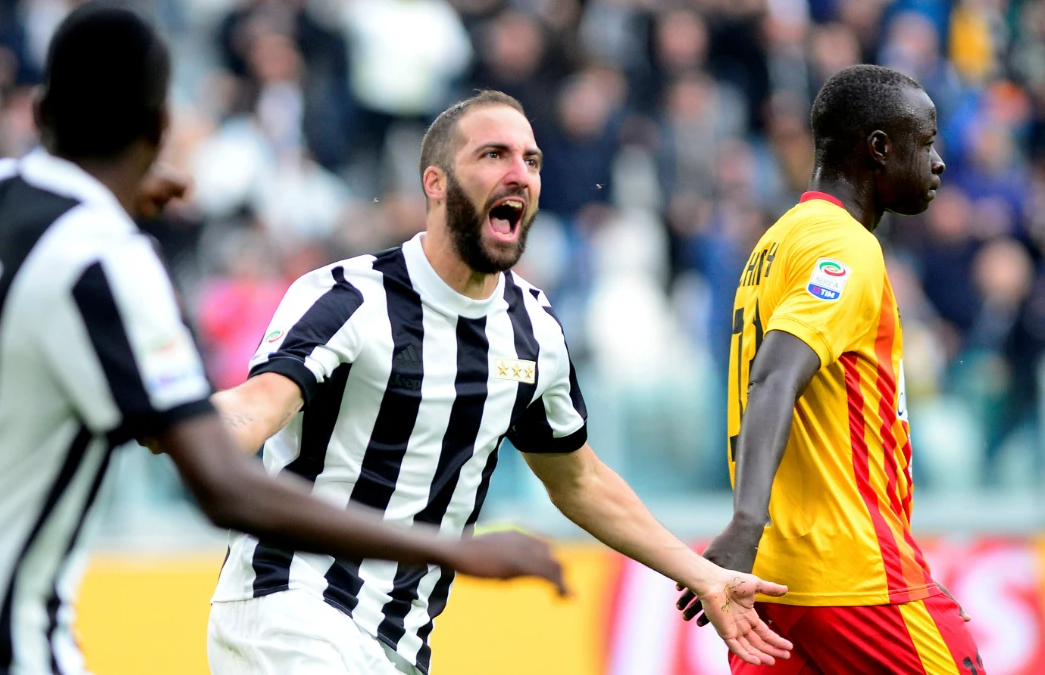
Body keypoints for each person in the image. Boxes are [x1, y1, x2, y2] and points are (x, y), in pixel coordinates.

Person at [0, 6, 569, 674]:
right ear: (158, 129)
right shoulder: (112, 265)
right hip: (0, 639)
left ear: (40, 110)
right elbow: (225, 486)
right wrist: (453, 551)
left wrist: (119, 189)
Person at [203, 89, 794, 675]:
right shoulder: (348, 297)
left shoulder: (533, 330)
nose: (519, 174)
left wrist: (702, 574)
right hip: (288, 607)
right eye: (493, 155)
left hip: (397, 641)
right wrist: (185, 425)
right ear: (435, 183)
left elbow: (579, 479)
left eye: (531, 161)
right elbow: (259, 406)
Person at [675, 64, 985, 674]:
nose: (939, 162)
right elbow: (776, 375)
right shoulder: (846, 247)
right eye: (925, 143)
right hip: (856, 577)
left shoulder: (772, 245)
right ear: (879, 149)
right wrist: (743, 522)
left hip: (775, 591)